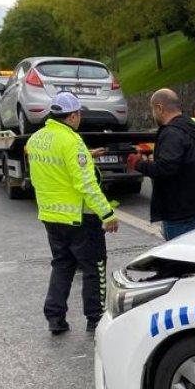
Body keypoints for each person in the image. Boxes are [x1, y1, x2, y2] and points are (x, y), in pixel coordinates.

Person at [24, 92, 119, 334]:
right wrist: (107, 214)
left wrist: (87, 155)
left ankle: (55, 318)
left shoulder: (36, 139)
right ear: (73, 115)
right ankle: (95, 319)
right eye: (79, 116)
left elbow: (45, 172)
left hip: (50, 216)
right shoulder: (72, 141)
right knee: (94, 266)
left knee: (62, 265)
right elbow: (86, 184)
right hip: (80, 218)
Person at [125, 89, 195, 241]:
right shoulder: (194, 128)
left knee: (178, 260)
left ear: (159, 108)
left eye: (153, 109)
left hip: (180, 214)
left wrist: (138, 163)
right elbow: (182, 163)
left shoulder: (171, 133)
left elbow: (165, 169)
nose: (153, 114)